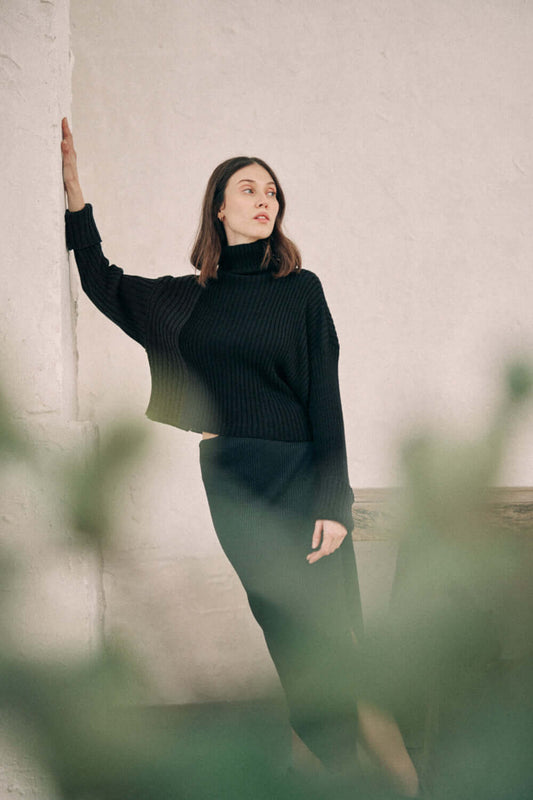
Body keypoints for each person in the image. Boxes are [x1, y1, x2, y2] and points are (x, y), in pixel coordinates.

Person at [61, 117, 419, 795]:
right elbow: (101, 282)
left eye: (273, 192)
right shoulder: (184, 300)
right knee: (284, 629)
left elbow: (324, 397)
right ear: (218, 207)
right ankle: (327, 770)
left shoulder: (299, 290)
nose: (264, 199)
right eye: (248, 188)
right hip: (231, 481)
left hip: (299, 475)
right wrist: (77, 200)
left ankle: (397, 776)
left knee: (335, 638)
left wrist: (332, 503)